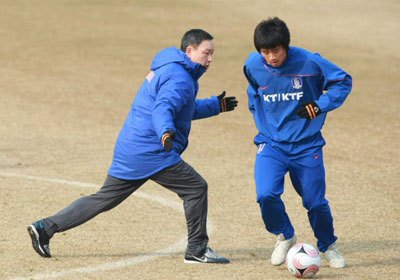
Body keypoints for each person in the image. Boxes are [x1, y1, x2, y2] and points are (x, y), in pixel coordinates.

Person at [28, 29, 237, 264]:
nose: (210, 59)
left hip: (133, 147)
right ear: (190, 51)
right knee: (195, 188)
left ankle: (45, 228)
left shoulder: (171, 68)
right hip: (153, 149)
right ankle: (197, 250)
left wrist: (215, 106)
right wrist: (165, 132)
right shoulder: (180, 77)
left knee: (104, 198)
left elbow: (182, 108)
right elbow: (163, 109)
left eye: (212, 54)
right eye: (206, 53)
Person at [243, 17, 352, 268]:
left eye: (276, 51)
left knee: (315, 202)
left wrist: (319, 105)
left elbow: (343, 81)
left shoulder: (309, 62)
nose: (271, 57)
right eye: (265, 52)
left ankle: (328, 245)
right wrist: (260, 118)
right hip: (272, 144)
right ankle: (284, 235)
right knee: (266, 194)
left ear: (287, 47)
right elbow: (254, 89)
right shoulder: (252, 64)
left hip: (307, 146)